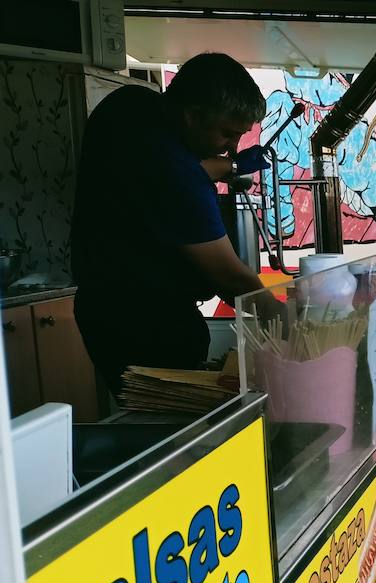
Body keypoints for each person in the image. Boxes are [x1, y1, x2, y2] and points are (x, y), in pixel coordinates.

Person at [72, 52, 272, 388]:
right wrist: (284, 316)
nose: (233, 148)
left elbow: (187, 168)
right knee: (173, 422)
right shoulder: (173, 171)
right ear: (192, 115)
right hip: (145, 323)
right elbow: (230, 277)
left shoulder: (131, 104)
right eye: (227, 133)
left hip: (100, 307)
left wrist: (230, 168)